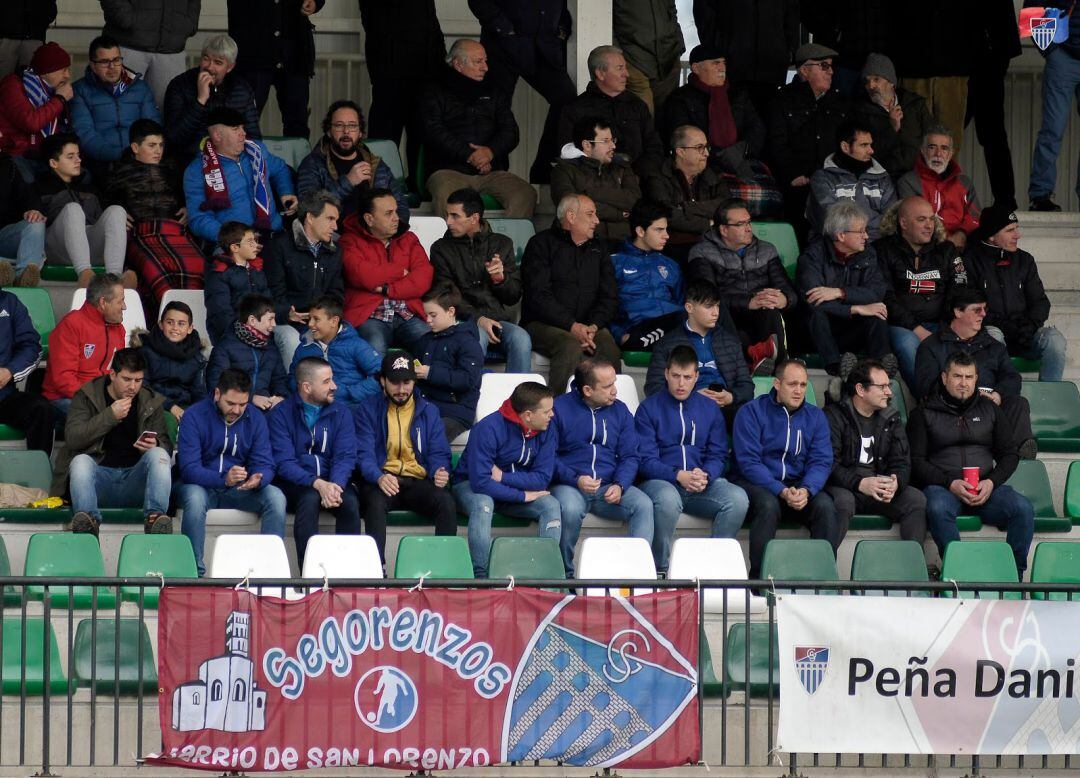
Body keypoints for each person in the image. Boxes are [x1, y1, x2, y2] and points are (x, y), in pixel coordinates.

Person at [908, 351, 1034, 576]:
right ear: (945, 377)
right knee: (937, 507)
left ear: (977, 379)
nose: (963, 383)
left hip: (985, 488)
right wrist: (950, 483)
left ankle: (1014, 576)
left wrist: (992, 483)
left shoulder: (990, 409)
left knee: (1023, 508)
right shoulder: (923, 413)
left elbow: (1009, 454)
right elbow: (916, 461)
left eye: (969, 377)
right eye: (957, 376)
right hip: (944, 488)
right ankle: (959, 573)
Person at [636, 345, 749, 573]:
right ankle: (661, 571)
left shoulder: (709, 408)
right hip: (663, 482)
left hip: (701, 483)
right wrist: (678, 475)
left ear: (696, 376)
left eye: (687, 377)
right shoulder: (648, 409)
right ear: (666, 373)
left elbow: (718, 454)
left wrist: (705, 474)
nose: (681, 383)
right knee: (667, 499)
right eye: (676, 376)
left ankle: (713, 571)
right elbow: (644, 460)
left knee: (737, 499)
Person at [732, 359, 839, 578]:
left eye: (803, 384)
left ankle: (822, 580)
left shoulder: (816, 416)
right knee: (769, 506)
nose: (799, 390)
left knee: (825, 507)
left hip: (798, 485)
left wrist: (807, 490)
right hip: (757, 483)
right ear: (777, 384)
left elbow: (821, 461)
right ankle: (759, 581)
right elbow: (749, 463)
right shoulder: (751, 412)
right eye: (792, 384)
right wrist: (780, 490)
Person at [53, 348, 174, 536]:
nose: (133, 387)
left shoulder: (150, 400)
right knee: (80, 462)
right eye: (127, 379)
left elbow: (166, 444)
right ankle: (88, 523)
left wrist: (155, 445)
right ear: (112, 374)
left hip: (136, 481)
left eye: (138, 380)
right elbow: (73, 438)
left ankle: (155, 519)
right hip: (99, 480)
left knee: (159, 455)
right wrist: (109, 416)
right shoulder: (86, 395)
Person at [178, 367, 287, 575]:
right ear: (217, 394)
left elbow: (265, 462)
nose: (236, 410)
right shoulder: (194, 415)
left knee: (275, 496)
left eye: (242, 404)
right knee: (194, 498)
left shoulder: (255, 418)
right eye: (231, 403)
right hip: (201, 486)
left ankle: (269, 572)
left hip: (238, 488)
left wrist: (259, 478)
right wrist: (223, 479)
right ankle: (194, 573)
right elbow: (189, 469)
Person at [551, 357, 654, 576]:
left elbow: (630, 455)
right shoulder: (558, 408)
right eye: (607, 386)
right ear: (587, 389)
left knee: (643, 505)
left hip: (608, 485)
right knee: (569, 508)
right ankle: (564, 577)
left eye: (614, 383)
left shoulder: (620, 410)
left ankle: (638, 578)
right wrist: (575, 479)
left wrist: (620, 484)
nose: (615, 391)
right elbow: (547, 457)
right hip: (570, 485)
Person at [353, 353, 458, 564]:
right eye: (394, 382)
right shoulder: (367, 409)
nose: (401, 389)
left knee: (446, 501)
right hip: (382, 480)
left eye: (407, 382)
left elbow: (439, 451)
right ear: (382, 381)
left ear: (414, 381)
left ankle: (443, 567)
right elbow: (363, 454)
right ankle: (376, 569)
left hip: (417, 481)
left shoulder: (429, 410)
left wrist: (439, 469)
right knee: (374, 502)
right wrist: (379, 477)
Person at [451, 381, 562, 578]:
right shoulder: (488, 428)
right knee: (483, 503)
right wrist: (521, 495)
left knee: (551, 505)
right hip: (470, 487)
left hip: (508, 491)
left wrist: (503, 477)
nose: (552, 415)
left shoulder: (548, 428)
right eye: (547, 412)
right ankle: (481, 577)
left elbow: (542, 479)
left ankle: (546, 577)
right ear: (528, 415)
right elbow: (481, 483)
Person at [417, 39, 536, 219]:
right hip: (448, 170)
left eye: (485, 61)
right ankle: (450, 246)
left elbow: (511, 131)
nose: (485, 67)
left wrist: (490, 152)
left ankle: (505, 244)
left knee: (525, 194)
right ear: (458, 64)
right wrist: (470, 155)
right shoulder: (435, 90)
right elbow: (433, 132)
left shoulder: (494, 91)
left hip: (491, 171)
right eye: (478, 62)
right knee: (446, 196)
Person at [913, 287, 1036, 460]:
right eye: (977, 309)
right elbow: (926, 388)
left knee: (1018, 403)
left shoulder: (994, 346)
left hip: (991, 410)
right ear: (958, 311)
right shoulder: (931, 346)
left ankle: (1020, 456)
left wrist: (998, 394)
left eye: (985, 309)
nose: (983, 314)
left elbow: (1012, 378)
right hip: (952, 412)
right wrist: (971, 395)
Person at [660, 45, 781, 220]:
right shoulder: (680, 99)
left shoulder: (738, 94)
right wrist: (719, 154)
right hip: (704, 162)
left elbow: (756, 127)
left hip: (741, 159)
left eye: (723, 63)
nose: (722, 68)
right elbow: (681, 136)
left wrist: (742, 149)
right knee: (721, 196)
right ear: (696, 68)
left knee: (771, 197)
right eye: (715, 63)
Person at [467, 0, 577, 184]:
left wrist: (561, 30)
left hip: (545, 47)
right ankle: (495, 173)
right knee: (495, 107)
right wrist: (504, 29)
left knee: (566, 100)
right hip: (503, 45)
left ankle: (545, 169)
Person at [520, 194, 621, 392]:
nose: (597, 221)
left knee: (608, 344)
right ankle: (555, 409)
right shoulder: (541, 244)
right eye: (590, 214)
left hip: (588, 326)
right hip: (542, 324)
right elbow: (538, 296)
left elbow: (609, 296)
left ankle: (610, 408)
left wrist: (593, 325)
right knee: (569, 344)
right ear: (571, 217)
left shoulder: (599, 248)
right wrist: (571, 325)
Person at [268, 357, 361, 572]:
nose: (334, 386)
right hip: (295, 483)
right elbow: (283, 462)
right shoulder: (281, 414)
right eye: (327, 382)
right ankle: (309, 576)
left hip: (332, 481)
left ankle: (348, 576)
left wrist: (334, 485)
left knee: (349, 503)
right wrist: (318, 484)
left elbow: (345, 456)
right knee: (309, 500)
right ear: (307, 387)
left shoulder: (341, 412)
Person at [106, 118, 205, 315]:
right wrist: (115, 213)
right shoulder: (117, 171)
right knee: (155, 273)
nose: (158, 151)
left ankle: (197, 322)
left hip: (175, 231)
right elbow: (105, 202)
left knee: (200, 268)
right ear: (135, 147)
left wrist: (187, 207)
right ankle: (170, 320)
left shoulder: (173, 169)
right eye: (151, 145)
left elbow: (190, 194)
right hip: (142, 234)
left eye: (161, 145)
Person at [823, 359, 927, 544]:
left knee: (915, 499)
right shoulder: (834, 416)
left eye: (889, 386)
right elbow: (828, 464)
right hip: (846, 487)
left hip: (878, 489)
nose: (889, 392)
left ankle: (912, 566)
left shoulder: (891, 418)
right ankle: (824, 566)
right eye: (882, 387)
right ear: (861, 390)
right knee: (842, 503)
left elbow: (902, 462)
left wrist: (896, 481)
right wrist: (860, 483)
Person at [429, 187, 531, 373]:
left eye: (455, 216)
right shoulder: (440, 248)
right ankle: (472, 397)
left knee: (521, 338)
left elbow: (513, 296)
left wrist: (501, 279)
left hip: (498, 319)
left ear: (474, 218)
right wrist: (479, 319)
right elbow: (445, 294)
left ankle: (520, 399)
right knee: (478, 337)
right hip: (459, 320)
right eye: (447, 215)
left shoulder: (502, 243)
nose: (448, 221)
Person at [963, 205, 1066, 384]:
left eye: (1017, 228)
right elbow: (969, 306)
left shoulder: (1025, 260)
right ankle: (1001, 398)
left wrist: (1029, 325)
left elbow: (1040, 302)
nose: (1017, 235)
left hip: (1025, 334)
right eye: (1010, 230)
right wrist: (1005, 325)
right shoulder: (970, 261)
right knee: (994, 335)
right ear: (991, 235)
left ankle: (1049, 398)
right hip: (989, 333)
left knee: (1054, 340)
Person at [875, 196, 969, 389]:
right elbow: (886, 296)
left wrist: (947, 325)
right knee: (908, 344)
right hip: (902, 326)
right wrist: (917, 329)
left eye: (931, 219)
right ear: (903, 223)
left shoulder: (946, 249)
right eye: (921, 220)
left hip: (942, 323)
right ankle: (929, 400)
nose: (929, 225)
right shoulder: (882, 249)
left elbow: (959, 289)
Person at [688, 197, 796, 364]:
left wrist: (784, 299)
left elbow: (788, 289)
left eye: (749, 222)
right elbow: (704, 298)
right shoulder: (702, 253)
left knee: (771, 308)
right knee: (720, 311)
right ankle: (751, 357)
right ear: (724, 229)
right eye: (740, 224)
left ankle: (778, 364)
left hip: (760, 316)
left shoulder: (766, 250)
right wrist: (747, 302)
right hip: (727, 318)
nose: (748, 228)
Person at [797, 201, 894, 378]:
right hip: (818, 333)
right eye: (861, 231)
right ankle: (836, 368)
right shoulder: (812, 257)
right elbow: (814, 302)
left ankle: (881, 368)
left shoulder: (868, 253)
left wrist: (840, 292)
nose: (866, 236)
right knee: (816, 314)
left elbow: (877, 292)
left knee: (877, 311)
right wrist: (855, 308)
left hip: (850, 328)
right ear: (841, 235)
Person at [644, 279, 754, 421]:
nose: (715, 313)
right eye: (709, 306)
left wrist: (730, 397)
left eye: (718, 306)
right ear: (689, 308)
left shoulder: (730, 341)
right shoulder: (667, 344)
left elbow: (747, 385)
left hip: (726, 408)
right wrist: (690, 396)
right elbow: (653, 387)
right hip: (685, 408)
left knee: (750, 416)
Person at [339, 187, 432, 355]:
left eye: (396, 211)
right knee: (375, 348)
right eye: (388, 213)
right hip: (370, 316)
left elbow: (423, 279)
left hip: (407, 313)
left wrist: (388, 289)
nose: (396, 218)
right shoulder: (349, 241)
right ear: (369, 219)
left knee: (431, 346)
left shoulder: (409, 239)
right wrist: (400, 271)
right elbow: (363, 276)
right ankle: (377, 383)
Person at [183, 106, 296, 245]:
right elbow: (199, 218)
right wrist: (233, 237)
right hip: (234, 244)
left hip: (273, 232)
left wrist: (286, 192)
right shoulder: (197, 171)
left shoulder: (256, 150)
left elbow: (280, 168)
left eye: (243, 128)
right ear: (218, 136)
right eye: (236, 129)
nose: (243, 133)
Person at [357, 0, 445, 177]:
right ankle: (379, 188)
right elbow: (375, 24)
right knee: (385, 136)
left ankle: (419, 185)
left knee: (423, 134)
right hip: (391, 71)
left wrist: (439, 58)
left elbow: (430, 22)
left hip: (426, 71)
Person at [768, 42, 848, 229]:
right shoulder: (782, 100)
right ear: (804, 70)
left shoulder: (839, 101)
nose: (831, 72)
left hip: (834, 182)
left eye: (831, 66)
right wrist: (793, 174)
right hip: (798, 183)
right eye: (824, 66)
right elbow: (776, 143)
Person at [36, 133, 131, 288]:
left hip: (89, 246)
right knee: (73, 209)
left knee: (117, 211)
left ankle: (114, 277)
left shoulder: (90, 189)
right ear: (54, 162)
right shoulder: (39, 187)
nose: (78, 160)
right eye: (70, 156)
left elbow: (104, 223)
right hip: (57, 248)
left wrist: (118, 223)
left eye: (78, 155)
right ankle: (85, 273)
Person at [264, 190, 343, 368]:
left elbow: (336, 293)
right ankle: (297, 392)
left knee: (348, 339)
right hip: (285, 321)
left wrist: (325, 316)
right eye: (330, 219)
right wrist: (287, 313)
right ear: (310, 218)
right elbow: (271, 294)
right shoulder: (279, 245)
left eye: (336, 220)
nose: (335, 226)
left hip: (320, 320)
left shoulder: (335, 251)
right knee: (293, 341)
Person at [557, 45, 664, 176]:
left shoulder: (637, 105)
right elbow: (568, 151)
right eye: (620, 68)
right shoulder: (576, 109)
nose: (627, 74)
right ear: (600, 74)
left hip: (639, 181)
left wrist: (638, 175)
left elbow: (653, 147)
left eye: (625, 67)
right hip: (596, 182)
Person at [296, 100, 410, 222]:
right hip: (334, 236)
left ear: (360, 132)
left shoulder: (375, 163)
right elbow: (307, 207)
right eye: (339, 125)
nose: (346, 131)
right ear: (329, 131)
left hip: (373, 237)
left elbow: (402, 208)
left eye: (352, 125)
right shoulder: (313, 163)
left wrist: (385, 232)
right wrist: (348, 181)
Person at [227, 0, 323, 139]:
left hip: (293, 54)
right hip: (253, 52)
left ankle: (299, 160)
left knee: (297, 124)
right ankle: (239, 161)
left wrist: (314, 2)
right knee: (242, 122)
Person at [70, 35, 161, 173]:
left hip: (140, 160)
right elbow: (86, 136)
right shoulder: (80, 90)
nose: (112, 67)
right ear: (93, 66)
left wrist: (139, 154)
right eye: (105, 62)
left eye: (116, 60)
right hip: (101, 163)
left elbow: (152, 128)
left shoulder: (140, 88)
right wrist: (121, 156)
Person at [163, 34, 262, 161]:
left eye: (218, 62)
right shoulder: (180, 85)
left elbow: (254, 138)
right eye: (206, 58)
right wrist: (200, 101)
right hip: (189, 160)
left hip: (231, 162)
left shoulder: (241, 88)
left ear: (230, 67)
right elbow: (174, 138)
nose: (209, 67)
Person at [693, 0, 799, 118]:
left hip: (770, 63)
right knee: (732, 124)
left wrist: (789, 49)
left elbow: (792, 12)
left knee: (770, 124)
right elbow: (704, 11)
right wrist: (715, 49)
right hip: (731, 66)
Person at [643, 125, 729, 262]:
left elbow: (725, 207)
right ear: (680, 152)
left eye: (707, 147)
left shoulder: (713, 175)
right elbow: (669, 216)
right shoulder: (658, 177)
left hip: (712, 246)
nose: (706, 153)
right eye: (699, 147)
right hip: (672, 249)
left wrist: (686, 207)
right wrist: (709, 223)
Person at [42, 272, 127, 413]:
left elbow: (118, 373)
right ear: (103, 303)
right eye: (120, 301)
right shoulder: (71, 325)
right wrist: (98, 401)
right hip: (64, 399)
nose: (124, 307)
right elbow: (63, 380)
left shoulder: (118, 329)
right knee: (103, 418)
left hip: (101, 399)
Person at [550, 115, 641, 244]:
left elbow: (634, 201)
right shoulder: (564, 170)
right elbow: (573, 209)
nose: (613, 146)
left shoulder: (621, 167)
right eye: (605, 141)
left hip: (622, 243)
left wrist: (590, 193)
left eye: (612, 140)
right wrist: (619, 214)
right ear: (587, 145)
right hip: (580, 243)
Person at [968, 0, 1021, 211]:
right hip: (957, 63)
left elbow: (1004, 20)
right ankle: (939, 197)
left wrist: (999, 60)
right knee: (946, 134)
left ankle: (1006, 200)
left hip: (989, 63)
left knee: (993, 136)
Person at [610, 200, 684, 350]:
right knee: (688, 319)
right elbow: (604, 306)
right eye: (659, 230)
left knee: (702, 312)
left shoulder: (670, 265)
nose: (666, 236)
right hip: (639, 330)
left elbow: (681, 301)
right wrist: (620, 335)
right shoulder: (614, 263)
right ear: (640, 231)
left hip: (671, 326)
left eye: (666, 229)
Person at [100, 0, 202, 110]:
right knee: (115, 111)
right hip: (126, 44)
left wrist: (189, 23)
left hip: (171, 49)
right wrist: (124, 17)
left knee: (167, 115)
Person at [416, 282, 485, 442]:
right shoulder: (424, 341)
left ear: (451, 311)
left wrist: (429, 373)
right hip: (425, 407)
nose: (427, 320)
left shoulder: (468, 342)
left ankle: (437, 467)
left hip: (456, 412)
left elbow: (467, 380)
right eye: (426, 315)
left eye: (433, 315)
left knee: (431, 439)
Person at [806, 120, 895, 241]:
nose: (871, 151)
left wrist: (859, 235)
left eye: (870, 145)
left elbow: (890, 221)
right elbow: (831, 222)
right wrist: (861, 235)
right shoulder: (822, 178)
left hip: (878, 248)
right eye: (864, 145)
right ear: (845, 147)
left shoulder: (882, 177)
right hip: (835, 252)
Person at [851, 53, 934, 179]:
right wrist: (892, 128)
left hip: (918, 177)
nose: (870, 86)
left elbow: (932, 139)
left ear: (891, 82)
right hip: (881, 179)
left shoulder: (914, 104)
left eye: (876, 79)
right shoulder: (861, 112)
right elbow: (865, 153)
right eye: (867, 81)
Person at [896, 127, 981, 250]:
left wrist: (961, 234)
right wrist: (944, 240)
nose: (938, 154)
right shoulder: (908, 182)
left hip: (962, 245)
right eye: (932, 147)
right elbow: (913, 221)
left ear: (951, 153)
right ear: (923, 150)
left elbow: (975, 215)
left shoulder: (964, 182)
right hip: (925, 248)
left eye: (944, 148)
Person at [290, 294, 382, 407]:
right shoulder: (303, 348)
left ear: (334, 321)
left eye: (316, 319)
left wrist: (351, 393)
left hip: (349, 408)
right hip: (313, 409)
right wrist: (309, 394)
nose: (310, 324)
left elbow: (380, 374)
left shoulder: (356, 345)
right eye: (309, 318)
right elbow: (293, 378)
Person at [206, 293, 289, 413]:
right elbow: (216, 385)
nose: (274, 324)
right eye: (270, 319)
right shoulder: (226, 346)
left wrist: (280, 397)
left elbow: (280, 379)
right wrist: (251, 399)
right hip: (235, 409)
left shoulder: (271, 347)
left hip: (266, 409)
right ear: (252, 320)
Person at [131, 300, 207, 423]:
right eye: (170, 322)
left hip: (185, 407)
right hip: (155, 406)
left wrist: (199, 412)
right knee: (169, 423)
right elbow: (143, 387)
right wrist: (170, 406)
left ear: (190, 328)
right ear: (161, 324)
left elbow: (199, 392)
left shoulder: (196, 355)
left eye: (181, 324)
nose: (175, 328)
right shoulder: (145, 351)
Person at [0, 288, 54, 453]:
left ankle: (39, 474)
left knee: (41, 409)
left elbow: (31, 346)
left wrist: (10, 371)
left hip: (3, 396)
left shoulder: (10, 302)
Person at [0, 42, 73, 161]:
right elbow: (30, 123)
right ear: (47, 70)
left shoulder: (54, 90)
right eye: (63, 70)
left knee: (81, 176)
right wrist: (59, 100)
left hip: (44, 154)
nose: (67, 75)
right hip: (15, 153)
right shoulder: (12, 86)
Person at [612, 0, 684, 116]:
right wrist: (619, 53)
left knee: (668, 114)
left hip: (669, 54)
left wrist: (679, 44)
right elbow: (606, 16)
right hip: (633, 56)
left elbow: (671, 10)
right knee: (644, 114)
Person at [204, 220, 270, 343]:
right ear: (235, 247)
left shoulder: (256, 269)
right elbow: (220, 313)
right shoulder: (219, 273)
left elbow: (268, 302)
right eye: (250, 242)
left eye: (255, 241)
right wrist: (245, 333)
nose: (256, 246)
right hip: (230, 337)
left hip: (261, 333)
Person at [0, 150, 45, 287]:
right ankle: (2, 274)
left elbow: (27, 195)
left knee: (36, 223)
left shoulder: (7, 166)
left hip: (4, 236)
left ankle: (23, 278)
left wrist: (33, 209)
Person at [0, 1, 57, 78]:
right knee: (4, 81)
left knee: (32, 82)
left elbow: (50, 8)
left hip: (33, 37)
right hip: (7, 37)